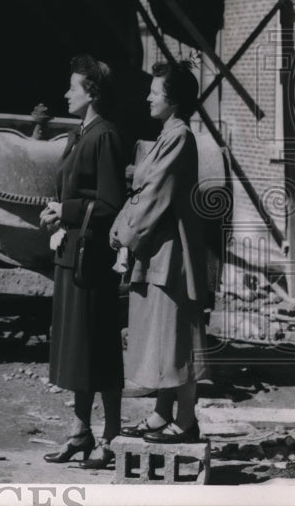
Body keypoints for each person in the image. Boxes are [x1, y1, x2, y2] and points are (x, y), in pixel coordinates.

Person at [110, 60, 209, 443]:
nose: (148, 97)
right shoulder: (168, 135)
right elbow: (141, 193)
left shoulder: (179, 136)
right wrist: (123, 229)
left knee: (176, 340)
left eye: (155, 91)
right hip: (157, 252)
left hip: (171, 256)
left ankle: (185, 422)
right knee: (165, 338)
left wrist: (123, 234)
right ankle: (161, 413)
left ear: (173, 99)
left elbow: (153, 196)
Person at [40, 55, 126, 469]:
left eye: (73, 86)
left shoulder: (104, 136)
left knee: (101, 348)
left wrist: (67, 211)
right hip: (71, 256)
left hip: (93, 261)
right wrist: (56, 211)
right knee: (78, 350)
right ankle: (79, 432)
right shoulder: (81, 133)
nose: (66, 93)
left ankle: (111, 436)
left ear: (91, 92)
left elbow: (111, 203)